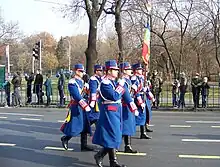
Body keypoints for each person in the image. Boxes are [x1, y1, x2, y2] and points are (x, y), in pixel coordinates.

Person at [92, 60, 127, 167]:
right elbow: (115, 96)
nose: (117, 72)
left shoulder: (112, 82)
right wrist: (121, 86)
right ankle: (105, 158)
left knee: (114, 136)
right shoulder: (105, 84)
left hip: (115, 111)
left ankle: (109, 160)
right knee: (113, 135)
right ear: (109, 71)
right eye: (115, 70)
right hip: (109, 112)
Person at [60, 64, 93, 151]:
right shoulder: (72, 82)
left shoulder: (82, 82)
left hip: (83, 106)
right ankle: (66, 138)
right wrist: (85, 106)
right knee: (75, 126)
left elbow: (86, 94)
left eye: (83, 71)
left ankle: (84, 145)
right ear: (76, 71)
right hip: (76, 106)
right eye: (81, 71)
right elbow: (77, 96)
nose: (83, 73)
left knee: (85, 126)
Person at [120, 62, 139, 153]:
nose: (130, 71)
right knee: (124, 127)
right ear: (124, 71)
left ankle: (127, 145)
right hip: (124, 106)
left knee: (128, 126)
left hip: (129, 106)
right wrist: (133, 107)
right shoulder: (122, 81)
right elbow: (126, 96)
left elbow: (132, 93)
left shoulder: (128, 80)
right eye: (128, 69)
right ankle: (114, 146)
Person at [131, 63, 153, 139]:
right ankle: (126, 133)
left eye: (141, 69)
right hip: (137, 98)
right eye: (139, 69)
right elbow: (135, 91)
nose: (141, 70)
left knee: (143, 115)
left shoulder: (142, 78)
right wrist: (140, 101)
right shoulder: (134, 78)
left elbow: (146, 88)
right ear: (135, 70)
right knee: (135, 116)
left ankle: (143, 132)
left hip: (142, 97)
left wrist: (149, 94)